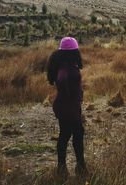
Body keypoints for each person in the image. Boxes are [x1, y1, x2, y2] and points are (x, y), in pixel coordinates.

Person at [46, 37, 88, 178]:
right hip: (69, 108)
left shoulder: (64, 66)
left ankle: (64, 167)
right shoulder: (70, 70)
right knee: (73, 134)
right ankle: (79, 167)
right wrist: (74, 101)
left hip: (64, 106)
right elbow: (64, 81)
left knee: (68, 134)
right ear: (74, 52)